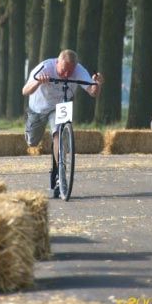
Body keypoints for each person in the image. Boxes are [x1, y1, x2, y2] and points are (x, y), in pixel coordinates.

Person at [22, 49, 104, 197]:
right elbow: (25, 91)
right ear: (57, 62)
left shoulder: (79, 70)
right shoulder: (45, 67)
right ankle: (50, 144)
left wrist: (97, 84)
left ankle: (61, 176)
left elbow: (93, 93)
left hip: (60, 106)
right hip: (39, 108)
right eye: (64, 70)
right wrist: (38, 82)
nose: (67, 75)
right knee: (32, 142)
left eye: (70, 72)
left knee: (60, 136)